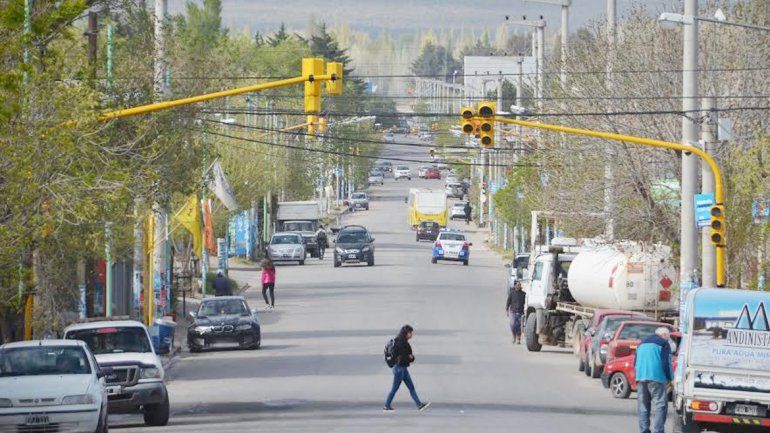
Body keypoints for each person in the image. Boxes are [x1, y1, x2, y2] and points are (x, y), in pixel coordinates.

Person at [634, 327, 674, 433]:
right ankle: (658, 430)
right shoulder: (663, 344)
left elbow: (635, 362)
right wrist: (670, 378)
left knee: (643, 406)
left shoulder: (641, 343)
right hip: (656, 378)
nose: (668, 340)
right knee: (660, 405)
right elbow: (666, 363)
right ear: (664, 335)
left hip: (640, 377)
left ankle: (644, 430)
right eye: (668, 337)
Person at [384, 325, 430, 412]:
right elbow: (403, 358)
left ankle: (419, 405)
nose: (412, 334)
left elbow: (409, 357)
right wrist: (410, 357)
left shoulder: (400, 342)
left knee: (411, 387)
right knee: (394, 389)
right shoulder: (402, 344)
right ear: (406, 333)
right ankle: (386, 406)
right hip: (399, 369)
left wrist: (410, 357)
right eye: (410, 333)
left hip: (403, 369)